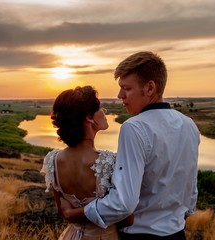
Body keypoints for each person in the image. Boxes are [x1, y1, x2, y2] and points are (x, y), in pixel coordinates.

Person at [82, 51, 200, 239]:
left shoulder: (134, 128)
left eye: (126, 88)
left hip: (140, 234)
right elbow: (191, 190)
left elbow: (124, 203)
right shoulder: (189, 124)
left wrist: (83, 212)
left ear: (150, 88)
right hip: (178, 234)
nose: (120, 95)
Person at [41, 86, 130, 240]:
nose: (105, 111)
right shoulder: (109, 162)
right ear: (89, 118)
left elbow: (63, 212)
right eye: (100, 107)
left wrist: (72, 214)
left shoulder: (52, 160)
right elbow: (127, 217)